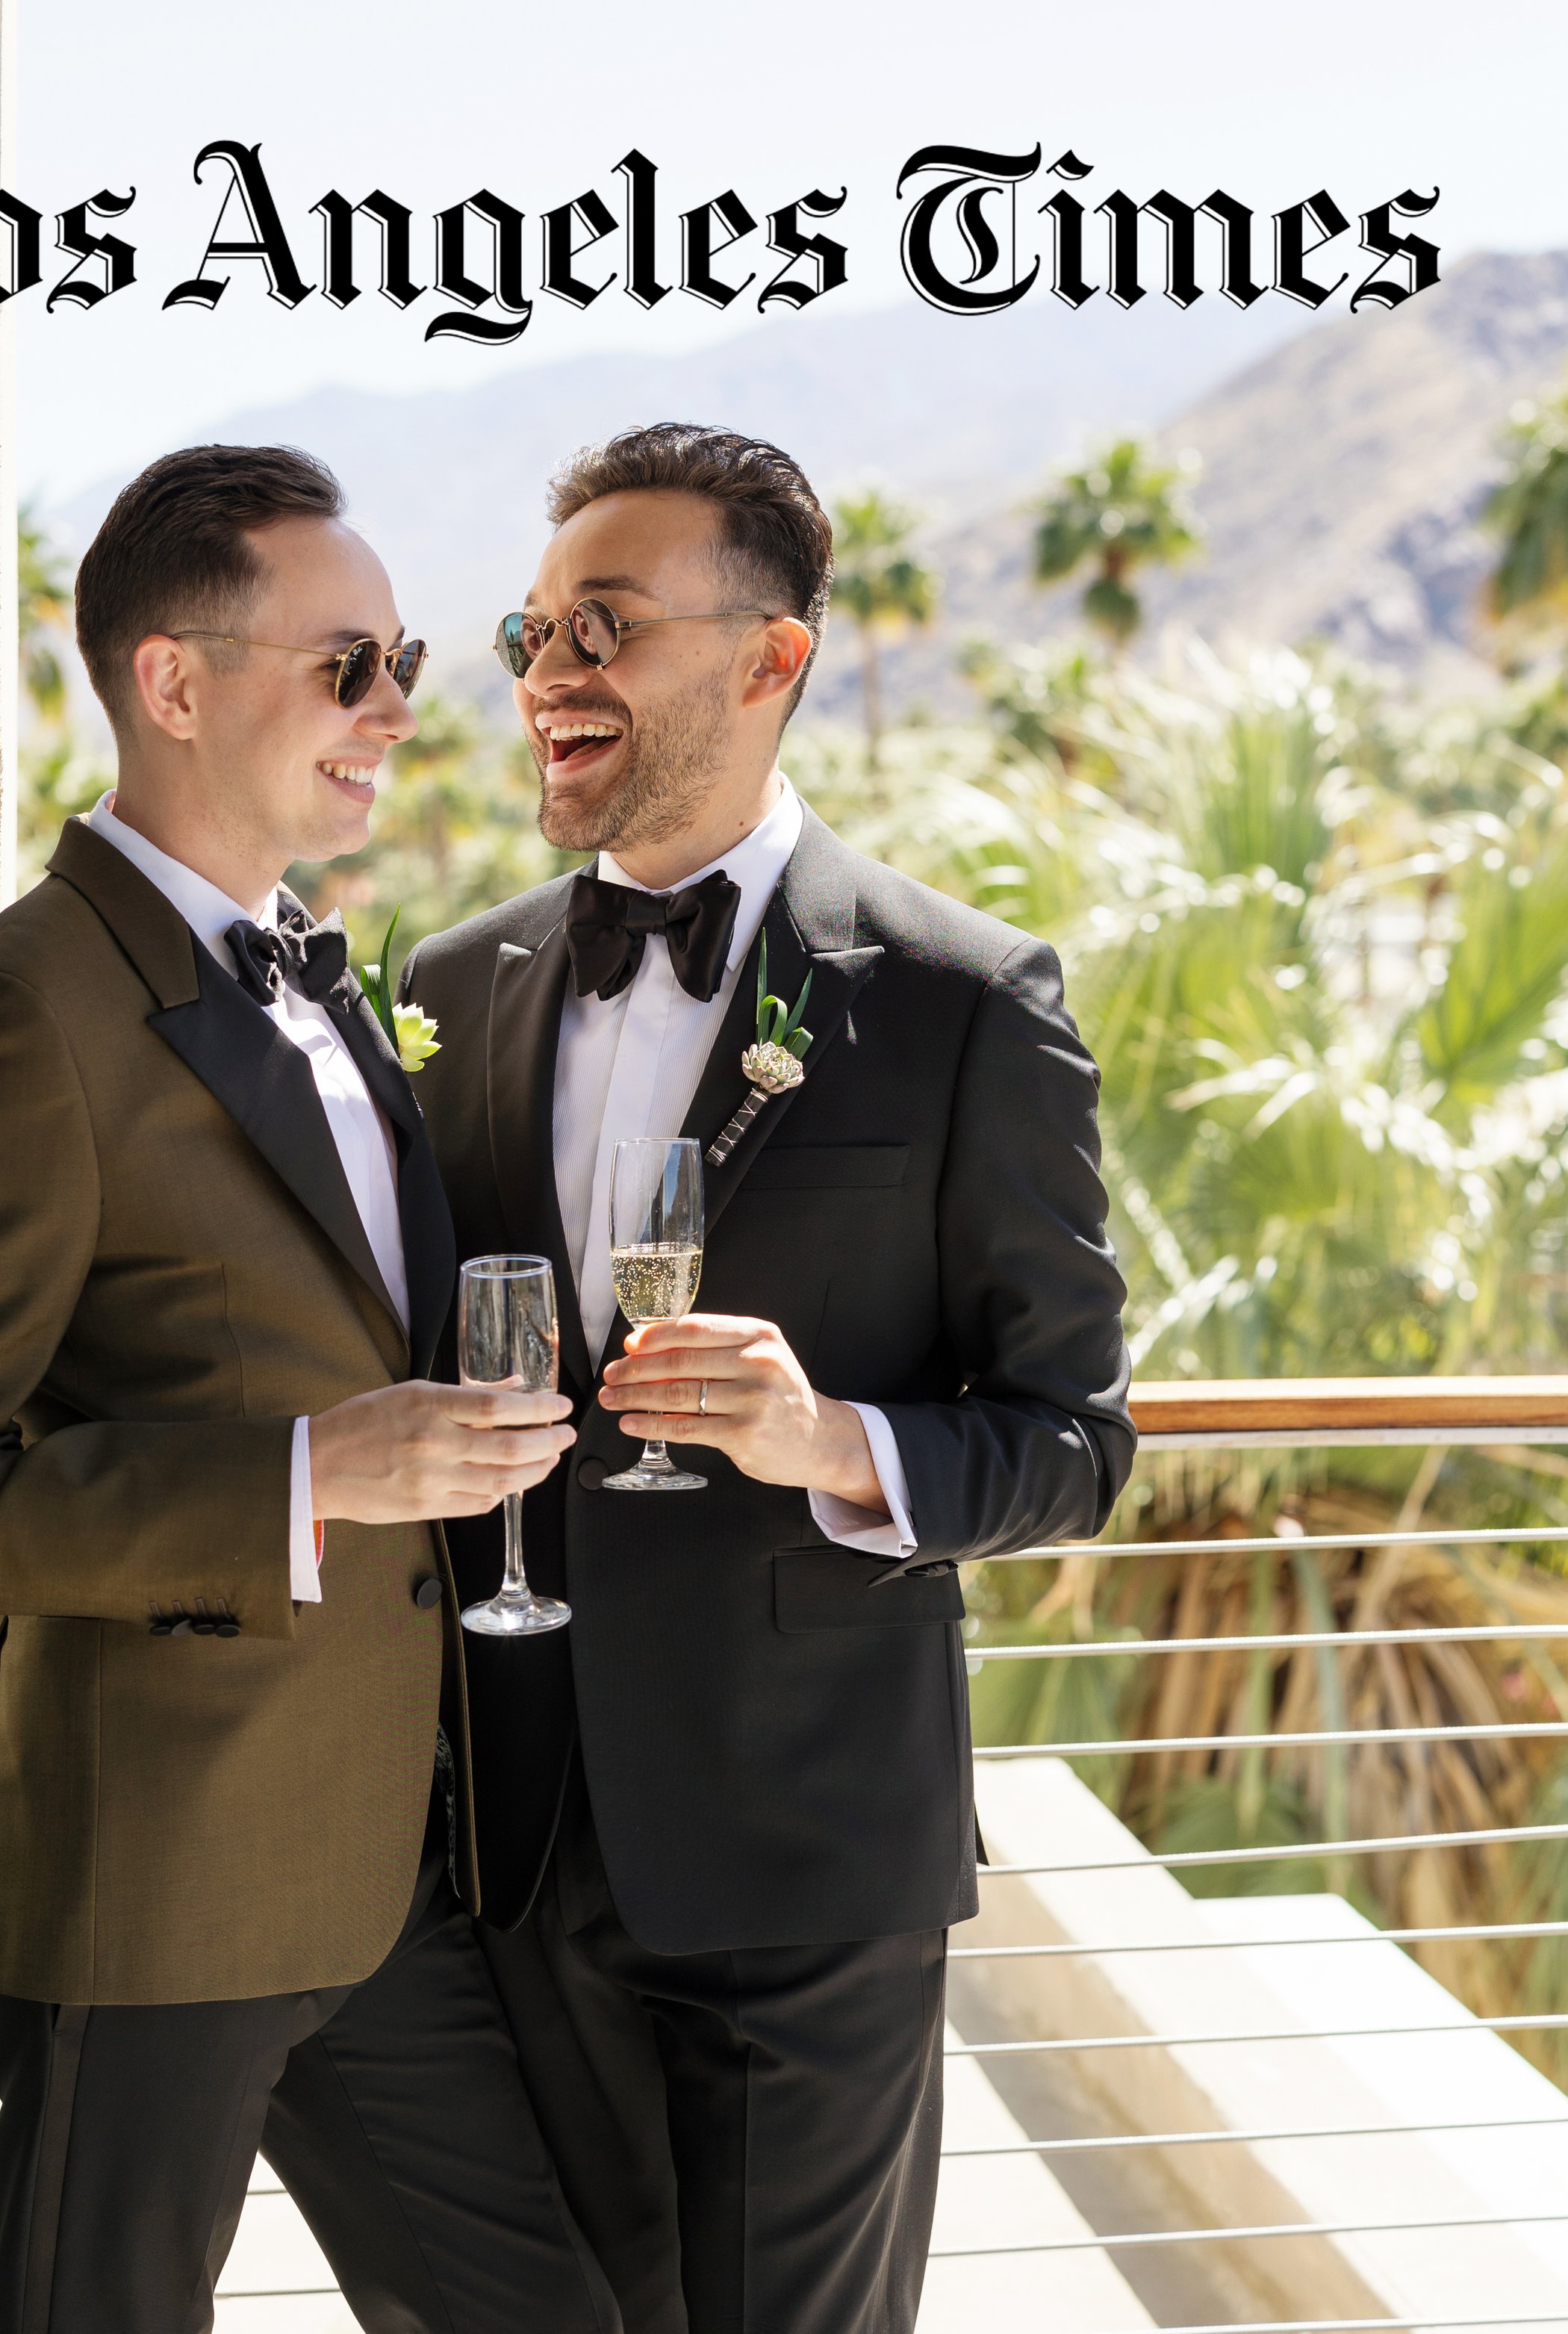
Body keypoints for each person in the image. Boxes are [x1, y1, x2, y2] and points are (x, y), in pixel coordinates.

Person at [0, 443, 617, 2334]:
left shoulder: (319, 983)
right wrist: (307, 1475)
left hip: (380, 1876)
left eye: (403, 660)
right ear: (173, 685)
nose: (400, 711)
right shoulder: (16, 1019)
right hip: (153, 1879)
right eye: (347, 666)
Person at [396, 424, 1136, 2334]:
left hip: (807, 1874)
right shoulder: (454, 986)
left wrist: (832, 1442)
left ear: (769, 658)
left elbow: (1069, 1443)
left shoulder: (965, 1003)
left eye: (609, 625)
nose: (550, 670)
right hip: (511, 1842)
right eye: (534, 626)